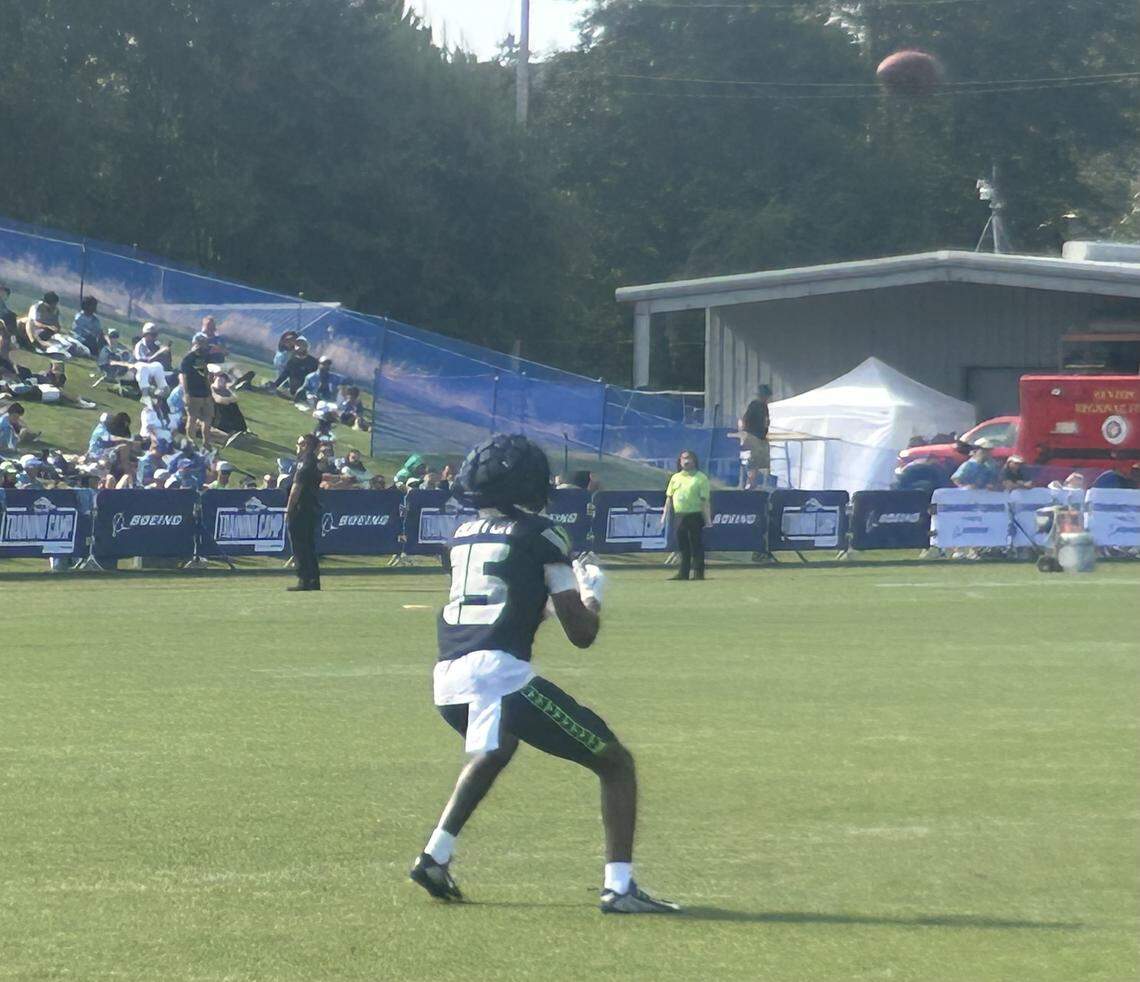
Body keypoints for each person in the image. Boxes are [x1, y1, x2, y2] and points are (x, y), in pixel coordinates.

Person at [408, 434, 679, 913]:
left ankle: (435, 856)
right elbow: (582, 633)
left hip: (447, 678)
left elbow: (516, 607)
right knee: (615, 763)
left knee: (497, 749)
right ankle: (620, 888)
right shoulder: (541, 533)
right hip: (497, 676)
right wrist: (590, 592)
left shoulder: (461, 534)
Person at [662, 449, 712, 581]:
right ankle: (683, 573)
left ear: (694, 461)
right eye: (684, 458)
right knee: (683, 546)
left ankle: (698, 573)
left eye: (689, 458)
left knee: (696, 545)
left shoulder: (701, 478)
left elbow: (704, 501)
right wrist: (664, 515)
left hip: (694, 516)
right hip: (680, 516)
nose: (686, 461)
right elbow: (669, 498)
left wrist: (708, 519)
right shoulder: (675, 478)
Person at [286, 433, 322, 591]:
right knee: (309, 545)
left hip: (301, 508)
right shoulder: (314, 462)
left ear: (306, 445)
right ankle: (314, 580)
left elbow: (296, 487)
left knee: (300, 545)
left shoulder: (304, 462)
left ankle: (304, 579)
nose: (297, 446)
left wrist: (289, 509)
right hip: (311, 507)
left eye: (299, 443)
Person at [179, 333, 215, 449]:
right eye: (202, 343)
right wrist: (186, 394)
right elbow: (183, 377)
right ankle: (191, 442)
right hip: (193, 393)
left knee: (208, 418)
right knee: (192, 418)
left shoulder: (205, 356)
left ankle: (206, 442)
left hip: (205, 392)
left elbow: (206, 373)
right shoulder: (188, 358)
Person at [738, 384, 771, 489]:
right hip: (752, 436)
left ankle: (761, 482)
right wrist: (745, 435)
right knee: (753, 460)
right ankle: (750, 482)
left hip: (761, 437)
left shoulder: (765, 407)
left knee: (763, 461)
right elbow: (745, 420)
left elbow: (766, 421)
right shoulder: (754, 405)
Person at [211, 371, 251, 445]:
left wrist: (229, 399)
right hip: (213, 415)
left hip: (222, 415)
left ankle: (241, 429)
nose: (221, 381)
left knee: (234, 407)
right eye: (220, 379)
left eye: (223, 380)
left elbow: (235, 398)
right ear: (215, 378)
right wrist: (229, 400)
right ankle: (235, 430)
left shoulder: (224, 390)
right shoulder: (210, 389)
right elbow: (218, 399)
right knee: (227, 406)